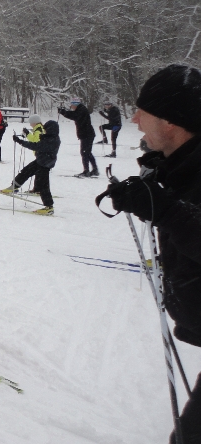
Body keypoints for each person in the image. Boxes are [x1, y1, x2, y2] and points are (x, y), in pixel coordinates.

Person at [99, 64, 201, 443]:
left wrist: (166, 207)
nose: (134, 119)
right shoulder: (186, 164)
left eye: (145, 112)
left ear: (172, 122)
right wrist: (160, 179)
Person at [4, 119, 61, 215]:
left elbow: (35, 146)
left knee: (44, 185)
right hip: (41, 160)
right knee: (26, 171)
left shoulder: (52, 140)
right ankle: (14, 186)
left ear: (51, 130)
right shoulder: (50, 137)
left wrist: (19, 141)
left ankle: (49, 207)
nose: (44, 131)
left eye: (46, 129)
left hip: (45, 163)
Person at [58, 98, 98, 177]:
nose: (71, 106)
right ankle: (95, 169)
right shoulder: (80, 109)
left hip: (86, 134)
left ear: (75, 104)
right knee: (87, 152)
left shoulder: (81, 110)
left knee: (84, 152)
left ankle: (86, 170)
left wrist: (64, 112)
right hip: (87, 134)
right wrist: (64, 112)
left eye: (72, 105)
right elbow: (74, 114)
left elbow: (74, 116)